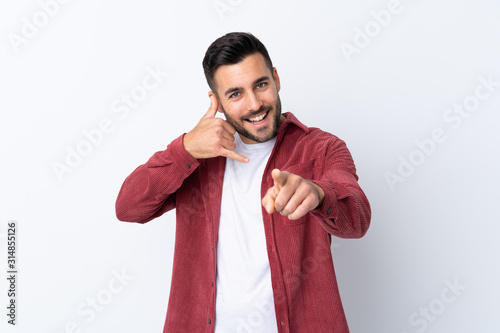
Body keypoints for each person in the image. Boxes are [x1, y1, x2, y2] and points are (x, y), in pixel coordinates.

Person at [115, 32, 371, 333]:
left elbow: (357, 219)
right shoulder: (196, 158)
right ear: (217, 101)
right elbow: (129, 208)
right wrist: (184, 149)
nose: (254, 104)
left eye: (260, 85)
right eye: (235, 94)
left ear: (276, 78)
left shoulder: (322, 148)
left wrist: (318, 193)